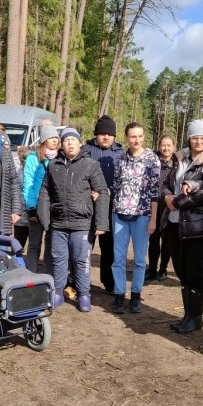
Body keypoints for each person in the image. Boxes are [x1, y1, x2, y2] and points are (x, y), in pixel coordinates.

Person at [38, 127, 110, 312]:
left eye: (73, 140)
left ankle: (84, 294)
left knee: (81, 260)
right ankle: (58, 292)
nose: (70, 143)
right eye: (66, 140)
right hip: (58, 223)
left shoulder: (91, 165)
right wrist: (45, 219)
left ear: (80, 143)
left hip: (83, 224)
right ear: (61, 145)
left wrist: (101, 222)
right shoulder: (53, 165)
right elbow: (45, 192)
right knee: (58, 259)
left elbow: (102, 191)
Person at [160, 119, 203, 334]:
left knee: (194, 272)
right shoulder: (179, 158)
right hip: (173, 223)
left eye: (202, 138)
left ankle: (196, 318)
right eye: (195, 137)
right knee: (181, 271)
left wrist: (176, 202)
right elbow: (164, 182)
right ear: (188, 138)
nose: (198, 141)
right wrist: (167, 196)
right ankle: (187, 315)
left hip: (195, 226)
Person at [110, 122, 160, 314]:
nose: (136, 140)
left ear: (144, 136)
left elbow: (154, 192)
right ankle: (119, 295)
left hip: (142, 216)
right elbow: (116, 186)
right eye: (132, 136)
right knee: (118, 258)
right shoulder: (120, 159)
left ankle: (136, 294)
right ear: (126, 137)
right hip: (120, 215)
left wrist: (153, 219)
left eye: (139, 136)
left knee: (139, 260)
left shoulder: (152, 159)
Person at [82, 115, 124, 293]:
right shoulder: (85, 150)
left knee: (109, 249)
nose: (106, 137)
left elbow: (124, 179)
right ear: (96, 134)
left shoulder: (121, 154)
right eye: (102, 134)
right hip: (87, 206)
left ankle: (109, 283)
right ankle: (79, 283)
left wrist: (109, 191)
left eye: (110, 134)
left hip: (110, 208)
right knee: (84, 248)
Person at [23, 122, 59, 274]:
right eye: (51, 137)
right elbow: (28, 183)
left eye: (56, 137)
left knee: (51, 242)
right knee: (35, 243)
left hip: (54, 207)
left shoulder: (60, 157)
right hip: (36, 206)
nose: (55, 140)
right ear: (44, 139)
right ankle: (32, 271)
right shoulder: (34, 157)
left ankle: (49, 275)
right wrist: (31, 208)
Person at [146, 135, 175, 282]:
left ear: (173, 147)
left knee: (167, 241)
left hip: (169, 207)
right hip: (154, 206)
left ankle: (163, 269)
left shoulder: (177, 163)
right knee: (153, 239)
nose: (165, 148)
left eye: (168, 145)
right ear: (159, 146)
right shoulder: (153, 161)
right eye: (163, 145)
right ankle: (151, 269)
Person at [13, 146, 31, 250]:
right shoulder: (19, 173)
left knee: (19, 242)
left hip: (23, 213)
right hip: (24, 213)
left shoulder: (19, 173)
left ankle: (19, 261)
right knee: (31, 243)